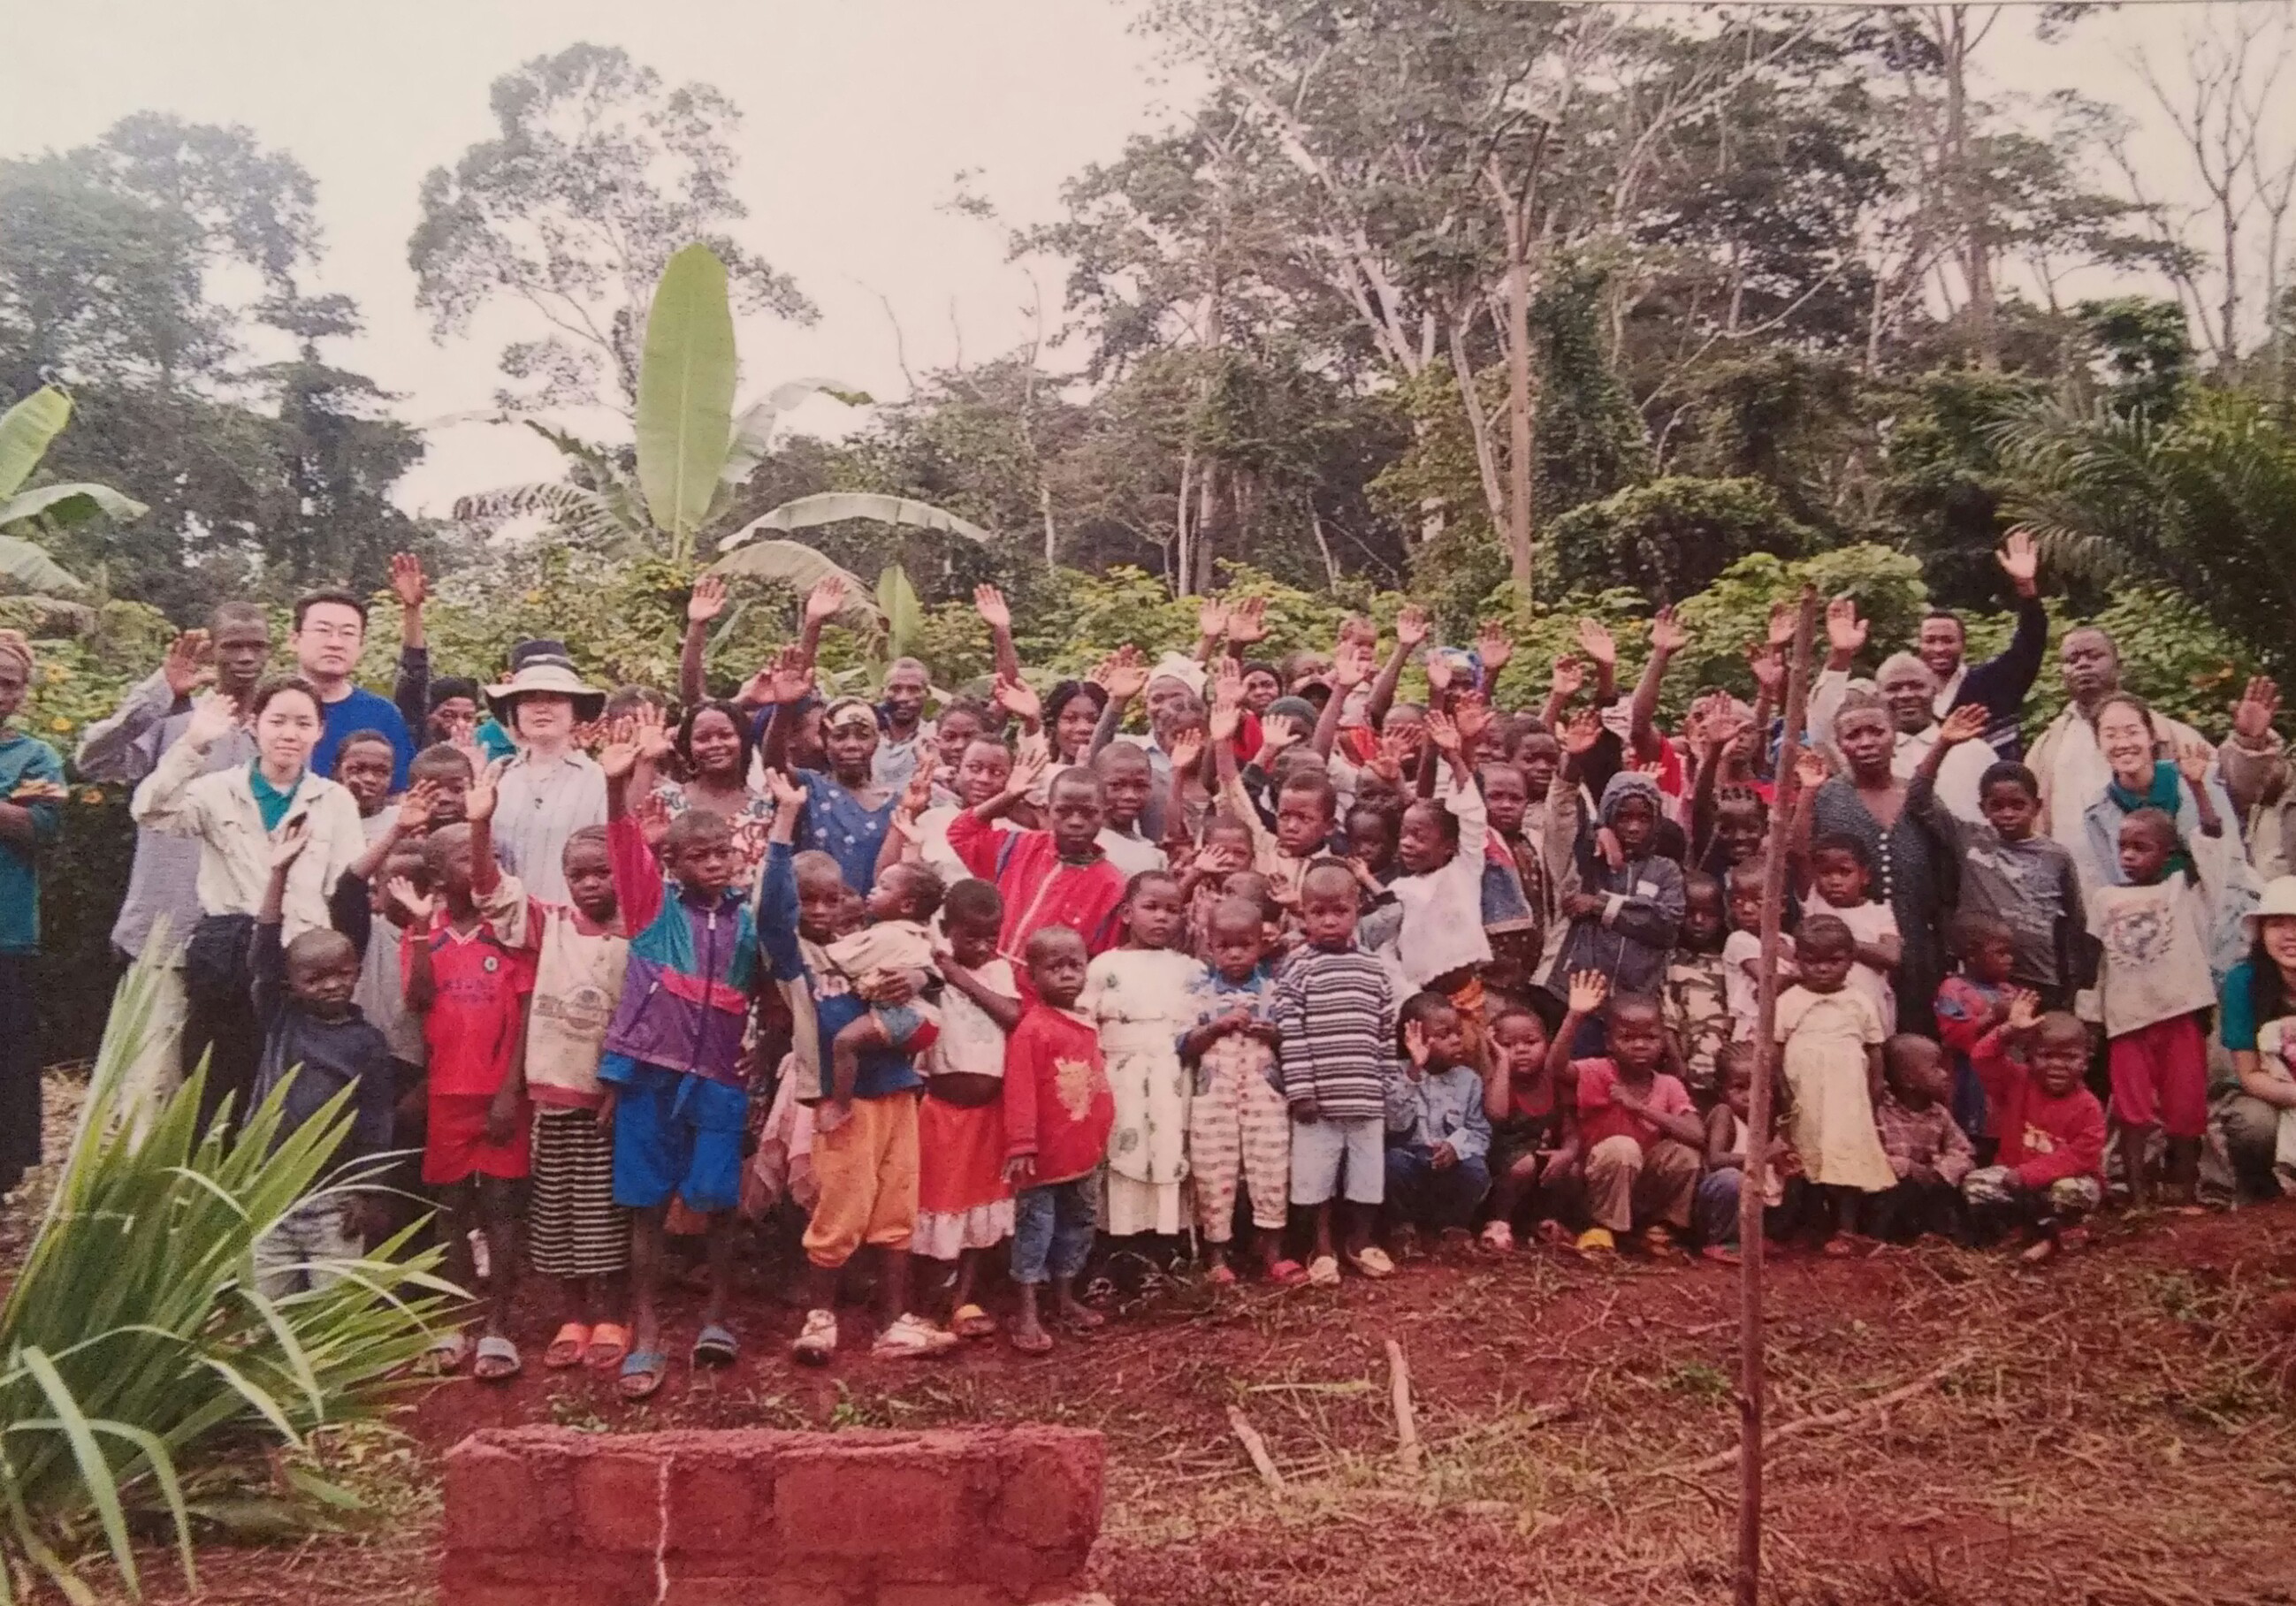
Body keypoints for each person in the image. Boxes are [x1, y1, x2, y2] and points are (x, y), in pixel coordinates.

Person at [592, 719, 762, 1394]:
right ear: (674, 862)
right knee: (646, 1204)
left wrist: (763, 1052)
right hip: (650, 1076)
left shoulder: (748, 919)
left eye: (722, 853)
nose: (715, 864)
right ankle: (647, 1328)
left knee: (717, 1200)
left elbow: (771, 991)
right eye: (699, 856)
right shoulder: (651, 909)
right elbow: (622, 845)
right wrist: (616, 785)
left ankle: (716, 1316)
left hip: (720, 1077)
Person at [131, 680, 369, 1142]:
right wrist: (194, 743)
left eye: (303, 723)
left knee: (291, 1088)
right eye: (277, 721)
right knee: (218, 1088)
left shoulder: (334, 799)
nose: (289, 734)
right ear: (254, 725)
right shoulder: (216, 790)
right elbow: (149, 810)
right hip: (228, 957)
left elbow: (344, 887)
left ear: (320, 731)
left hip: (301, 963)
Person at [78, 610, 268, 1131]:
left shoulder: (278, 731)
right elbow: (92, 761)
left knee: (230, 1094)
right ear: (212, 650)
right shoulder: (176, 721)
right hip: (168, 934)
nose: (245, 657)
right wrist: (159, 691)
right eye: (232, 645)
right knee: (150, 1089)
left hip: (245, 944)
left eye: (256, 646)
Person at [473, 785, 632, 1375]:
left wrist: (621, 1083)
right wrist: (481, 823)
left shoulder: (639, 930)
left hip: (610, 1096)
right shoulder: (552, 924)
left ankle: (613, 1313)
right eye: (577, 875)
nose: (589, 884)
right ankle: (573, 1313)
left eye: (601, 873)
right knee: (560, 1209)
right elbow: (491, 891)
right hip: (554, 1094)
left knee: (608, 1210)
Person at [397, 818, 534, 1381]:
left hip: (499, 1095)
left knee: (501, 1206)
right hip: (446, 1095)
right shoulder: (421, 936)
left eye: (490, 856)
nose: (482, 866)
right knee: (450, 1209)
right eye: (466, 859)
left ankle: (499, 1325)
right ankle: (453, 1321)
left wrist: (509, 1091)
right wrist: (420, 928)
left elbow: (525, 1013)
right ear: (436, 877)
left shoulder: (510, 933)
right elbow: (418, 999)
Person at [247, 822, 393, 1296]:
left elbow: (376, 1123)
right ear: (291, 985)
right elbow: (264, 953)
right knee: (270, 1306)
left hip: (334, 1201)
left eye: (342, 974)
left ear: (356, 971)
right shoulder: (282, 1019)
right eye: (315, 979)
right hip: (271, 1191)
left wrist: (367, 1191)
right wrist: (278, 874)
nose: (331, 985)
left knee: (329, 1306)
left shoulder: (368, 1042)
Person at [1273, 861, 1400, 1285]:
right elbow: (1291, 1034)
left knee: (1367, 1177)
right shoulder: (1297, 967)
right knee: (1316, 1178)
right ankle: (1321, 1247)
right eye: (1318, 912)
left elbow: (1384, 1033)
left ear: (1358, 909)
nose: (1329, 921)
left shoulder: (1373, 968)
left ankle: (1360, 1242)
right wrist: (1301, 1092)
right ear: (1303, 913)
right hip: (1318, 1101)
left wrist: (1386, 1086)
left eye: (1340, 911)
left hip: (1365, 1096)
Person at [1908, 720, 2089, 1011]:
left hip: (2038, 977)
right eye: (1997, 806)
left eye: (2018, 805)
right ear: (1983, 808)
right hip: (1978, 979)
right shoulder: (1969, 838)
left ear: (2036, 806)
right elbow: (1919, 799)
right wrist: (1943, 744)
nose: (2008, 813)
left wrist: (2074, 983)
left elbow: (2075, 923)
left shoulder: (2056, 856)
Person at [2089, 809, 2218, 1208]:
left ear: (2168, 853)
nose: (2128, 856)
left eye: (2141, 847)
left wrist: (2199, 792)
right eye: (2123, 847)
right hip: (2127, 1020)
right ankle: (2138, 1197)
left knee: (2186, 1107)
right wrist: (2092, 1018)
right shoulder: (2104, 898)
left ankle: (2186, 1189)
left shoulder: (2183, 890)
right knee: (2133, 1112)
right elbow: (2097, 964)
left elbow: (2212, 839)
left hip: (2180, 1013)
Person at [1803, 691, 1951, 1036]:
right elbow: (1800, 857)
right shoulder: (1830, 798)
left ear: (1894, 734)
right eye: (1853, 735)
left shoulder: (1919, 798)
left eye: (1876, 731)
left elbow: (1947, 869)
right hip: (1848, 957)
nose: (1866, 742)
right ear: (1839, 744)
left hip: (1917, 948)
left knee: (1917, 1042)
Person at [913, 879, 1021, 1339]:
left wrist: (959, 974)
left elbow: (1013, 1016)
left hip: (988, 1115)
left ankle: (965, 1299)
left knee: (980, 1207)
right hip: (940, 1110)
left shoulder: (997, 971)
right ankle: (929, 1297)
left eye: (990, 937)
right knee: (937, 1201)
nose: (981, 946)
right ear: (946, 928)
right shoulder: (929, 967)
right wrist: (942, 969)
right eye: (970, 936)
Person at [1003, 925, 1115, 1354]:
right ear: (1032, 977)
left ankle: (1065, 1297)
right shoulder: (1033, 1030)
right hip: (1043, 1159)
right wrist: (1021, 1144)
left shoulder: (1085, 1024)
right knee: (1036, 1230)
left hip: (1082, 1152)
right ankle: (1026, 1310)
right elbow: (1020, 1090)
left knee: (1077, 1225)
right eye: (1055, 968)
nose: (1068, 975)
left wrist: (1102, 1130)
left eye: (1075, 965)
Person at [1548, 970, 1704, 1257]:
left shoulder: (1669, 1085)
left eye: (1650, 1037)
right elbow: (1555, 1069)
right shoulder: (1597, 1071)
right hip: (1596, 1185)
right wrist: (1575, 1016)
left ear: (1663, 1041)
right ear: (1609, 1042)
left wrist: (1639, 1107)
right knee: (1623, 1147)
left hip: (1641, 1188)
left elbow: (1697, 1135)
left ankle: (1659, 1228)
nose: (1640, 1045)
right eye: (1628, 1038)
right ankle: (1602, 1227)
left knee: (1684, 1154)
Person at [1086, 870, 1204, 1238]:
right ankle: (1119, 1236)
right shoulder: (1105, 966)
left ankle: (1166, 1237)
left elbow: (1197, 1027)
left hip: (1171, 1075)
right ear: (1126, 913)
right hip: (1121, 1074)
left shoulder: (1190, 969)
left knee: (1169, 1145)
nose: (1161, 917)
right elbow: (1087, 1023)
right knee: (1124, 1145)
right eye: (1151, 907)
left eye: (1172, 910)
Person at [1179, 897, 1291, 1283]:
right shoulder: (1200, 992)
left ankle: (1272, 1252)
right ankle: (1217, 1256)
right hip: (1215, 1095)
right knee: (1213, 1170)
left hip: (1264, 1095)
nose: (1235, 955)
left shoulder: (1275, 991)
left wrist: (1273, 1034)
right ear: (1210, 946)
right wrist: (1216, 1027)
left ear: (1262, 943)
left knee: (1271, 1167)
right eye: (1224, 946)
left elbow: (1291, 1040)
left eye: (1245, 945)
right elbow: (1184, 1044)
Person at [1548, 756, 1686, 1052]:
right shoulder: (1590, 862)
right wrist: (1598, 828)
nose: (1634, 827)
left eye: (1644, 819)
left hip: (1639, 1004)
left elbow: (1665, 924)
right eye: (1623, 818)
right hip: (1583, 1001)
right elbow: (1562, 822)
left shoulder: (1665, 870)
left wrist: (1599, 906)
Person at [2026, 626, 2205, 853]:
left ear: (2118, 666)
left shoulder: (2168, 733)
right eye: (2072, 660)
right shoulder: (2047, 746)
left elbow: (2226, 799)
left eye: (2094, 656)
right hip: (2072, 870)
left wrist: (2247, 742)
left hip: (2157, 871)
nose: (2082, 664)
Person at [1775, 914, 1894, 1252]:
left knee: (1847, 1157)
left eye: (1834, 960)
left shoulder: (1860, 1001)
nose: (1823, 969)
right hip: (1805, 1095)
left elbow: (1874, 1048)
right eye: (1811, 961)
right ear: (1797, 960)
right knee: (1806, 1157)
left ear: (1851, 960)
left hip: (1848, 1099)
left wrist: (1874, 1089)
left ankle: (1847, 1229)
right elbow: (1775, 1049)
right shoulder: (1788, 1001)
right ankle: (1812, 1227)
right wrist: (1783, 1090)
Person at [947, 749, 1129, 965]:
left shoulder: (1112, 885)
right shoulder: (1016, 847)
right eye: (1063, 811)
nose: (1076, 822)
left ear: (1104, 813)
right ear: (1047, 810)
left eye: (1089, 813)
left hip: (1043, 986)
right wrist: (1007, 796)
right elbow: (961, 833)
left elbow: (1103, 958)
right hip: (987, 973)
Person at [1964, 991, 2107, 1262]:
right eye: (2047, 1055)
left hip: (2060, 1180)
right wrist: (2009, 1031)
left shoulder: (2089, 1106)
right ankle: (2023, 1229)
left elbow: (2082, 1156)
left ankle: (2062, 1232)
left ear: (2086, 1061)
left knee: (2072, 1192)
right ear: (2029, 1056)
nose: (2057, 1065)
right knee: (1976, 1185)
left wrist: (2029, 1175)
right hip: (2016, 1177)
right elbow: (1981, 1058)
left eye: (2069, 1057)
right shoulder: (2017, 1081)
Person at [0, 634, 60, 1199]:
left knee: (6, 1059)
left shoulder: (36, 757)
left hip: (8, 931)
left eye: (9, 684)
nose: (0, 692)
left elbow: (40, 828)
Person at [484, 643, 608, 906]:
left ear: (575, 711)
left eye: (554, 698)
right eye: (529, 699)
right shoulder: (498, 777)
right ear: (515, 712)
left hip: (572, 923)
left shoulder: (598, 780)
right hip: (504, 923)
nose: (541, 708)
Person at [1913, 529, 2049, 759]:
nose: (1939, 648)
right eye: (1930, 640)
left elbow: (2031, 642)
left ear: (1963, 644)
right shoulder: (1907, 696)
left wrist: (2026, 587)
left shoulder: (1994, 683)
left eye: (1948, 640)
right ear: (1919, 645)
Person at [1383, 992, 1493, 1251]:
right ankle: (1402, 1226)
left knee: (1475, 1170)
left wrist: (1455, 1147)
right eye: (1445, 1035)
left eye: (1458, 1033)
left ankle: (1453, 1224)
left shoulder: (1468, 1080)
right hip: (1409, 1158)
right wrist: (1414, 1071)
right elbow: (1393, 1124)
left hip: (1448, 1163)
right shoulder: (1396, 1072)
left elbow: (1480, 1132)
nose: (1456, 1041)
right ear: (1414, 1038)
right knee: (1392, 1164)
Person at [2216, 876, 2296, 1198]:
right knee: (2254, 1124)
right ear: (2261, 933)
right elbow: (2248, 1074)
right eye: (2277, 924)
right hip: (2265, 1092)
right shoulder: (2243, 982)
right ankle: (2258, 1193)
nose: (2290, 935)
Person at [289, 588, 416, 786]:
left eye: (348, 633)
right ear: (294, 640)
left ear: (361, 645)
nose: (335, 643)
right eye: (323, 631)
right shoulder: (270, 708)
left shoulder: (383, 714)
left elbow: (398, 794)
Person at [1479, 1004, 1575, 1251]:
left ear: (1547, 1043)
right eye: (1508, 1045)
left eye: (1531, 1042)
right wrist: (1502, 1062)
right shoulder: (1497, 1082)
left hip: (1544, 1163)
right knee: (1525, 1165)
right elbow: (1497, 1115)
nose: (1521, 1050)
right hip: (1504, 1166)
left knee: (1573, 1168)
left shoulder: (1555, 1081)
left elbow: (1571, 1131)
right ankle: (1498, 1221)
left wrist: (1567, 1152)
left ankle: (1545, 1220)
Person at [655, 698, 774, 890]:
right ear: (688, 746)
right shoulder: (665, 801)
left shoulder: (767, 809)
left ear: (743, 740)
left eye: (725, 735)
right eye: (702, 739)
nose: (715, 744)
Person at [1693, 1043, 1795, 1264]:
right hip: (1720, 1202)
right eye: (1739, 1088)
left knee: (1795, 1180)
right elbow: (1716, 1159)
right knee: (1733, 1179)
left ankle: (1760, 1237)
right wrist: (1764, 1156)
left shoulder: (1768, 1119)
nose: (1750, 1096)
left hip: (1757, 1199)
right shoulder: (1724, 1114)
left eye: (1759, 1088)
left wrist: (1782, 1163)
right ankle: (1723, 1242)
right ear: (1721, 1090)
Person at [1867, 1035, 1974, 1244]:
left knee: (1949, 1193)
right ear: (1908, 1080)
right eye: (1936, 1068)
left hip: (1929, 1187)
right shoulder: (1880, 1112)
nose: (1945, 1074)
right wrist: (1908, 1168)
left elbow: (1964, 1151)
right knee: (1899, 1191)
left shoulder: (1939, 1114)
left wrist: (1940, 1170)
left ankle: (1947, 1239)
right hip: (1891, 1192)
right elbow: (1872, 1156)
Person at [1934, 914, 2019, 1153]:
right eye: (2001, 953)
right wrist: (1993, 1015)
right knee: (1971, 1140)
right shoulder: (1954, 989)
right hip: (1969, 1078)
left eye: (2011, 953)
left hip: (2002, 1079)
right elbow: (1953, 1035)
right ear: (1972, 954)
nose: (2009, 960)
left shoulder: (2008, 991)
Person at [1662, 872, 1730, 1106]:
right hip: (1685, 1070)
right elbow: (1667, 1023)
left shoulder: (1730, 961)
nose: (1699, 920)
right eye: (1690, 913)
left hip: (1726, 1074)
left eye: (1709, 914)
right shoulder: (1668, 962)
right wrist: (1678, 1066)